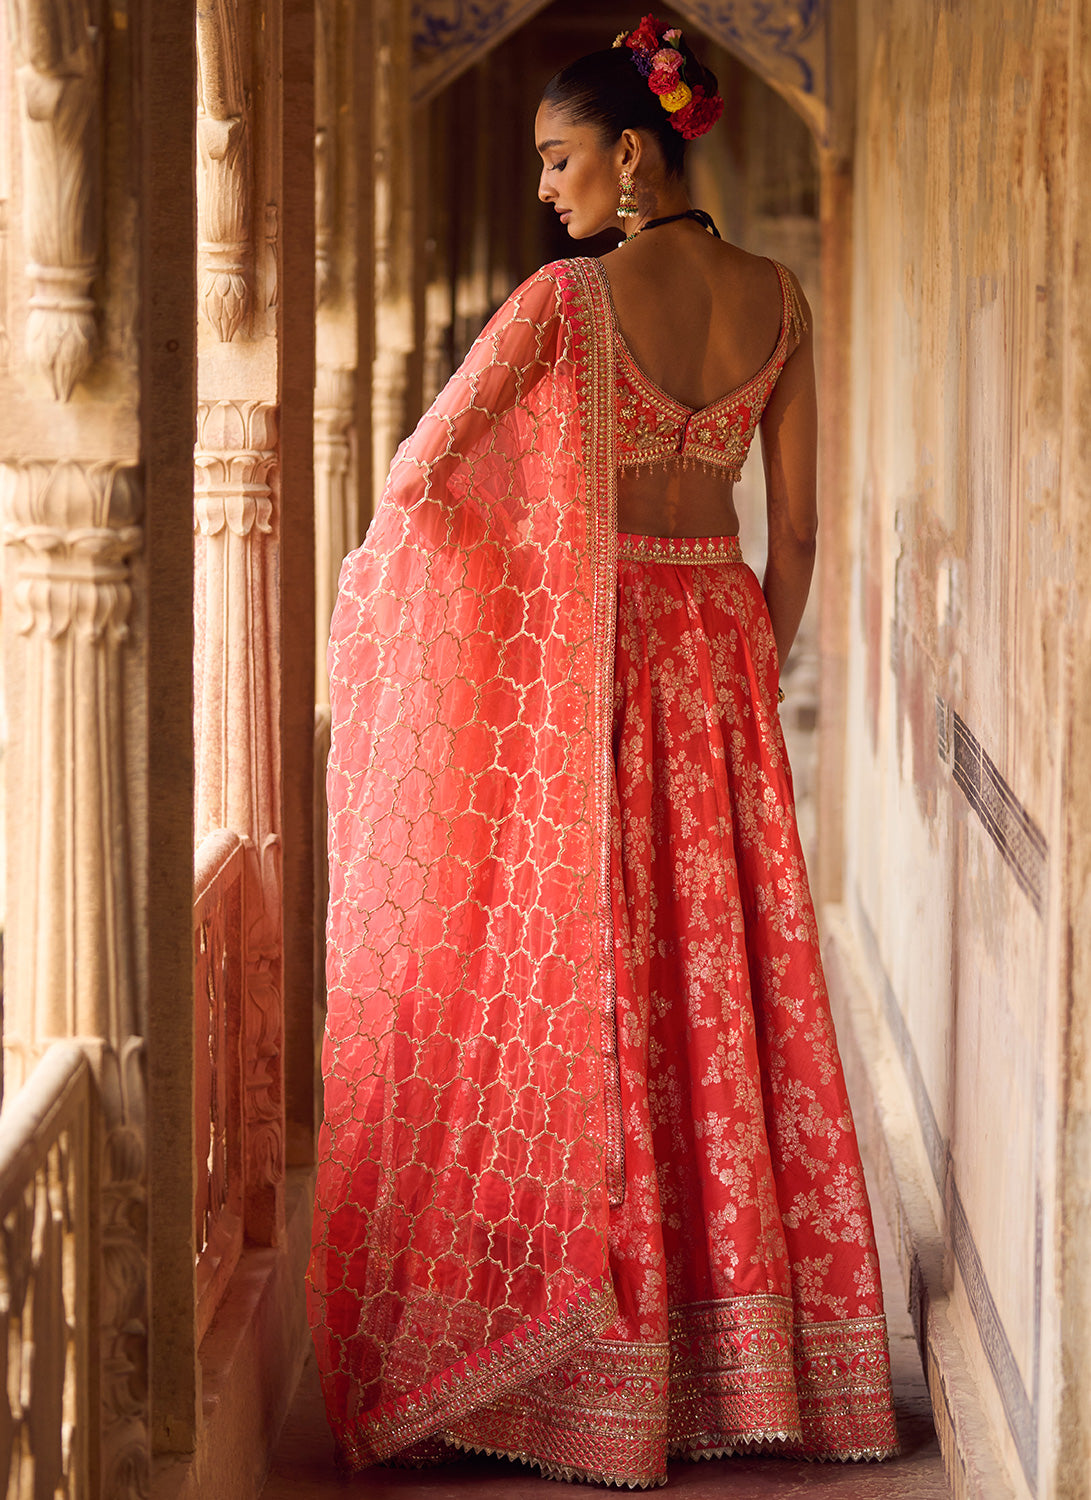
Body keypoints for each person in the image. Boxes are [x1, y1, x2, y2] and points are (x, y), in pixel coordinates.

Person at [308, 14, 900, 1488]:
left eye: (561, 158)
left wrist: (504, 597)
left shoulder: (564, 308)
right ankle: (744, 1361)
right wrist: (755, 659)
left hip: (593, 662)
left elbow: (417, 474)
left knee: (602, 984)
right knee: (722, 981)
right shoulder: (782, 298)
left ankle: (600, 1374)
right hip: (724, 653)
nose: (547, 190)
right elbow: (805, 525)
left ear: (633, 151)